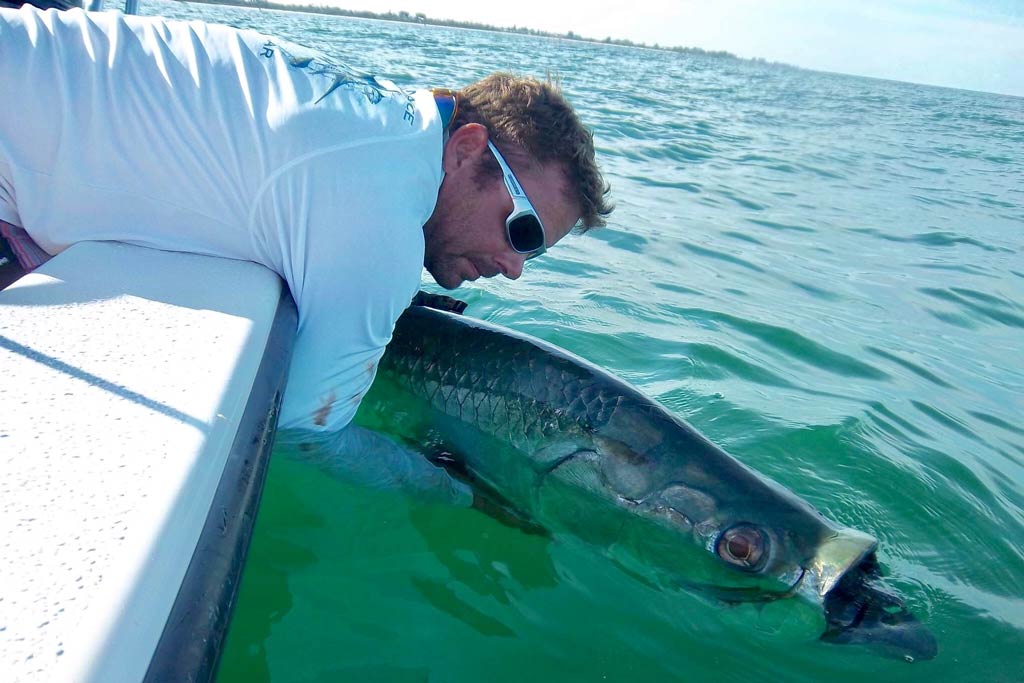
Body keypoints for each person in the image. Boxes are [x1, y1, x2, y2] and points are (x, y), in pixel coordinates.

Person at [0, 5, 612, 433]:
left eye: (536, 252)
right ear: (467, 148)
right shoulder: (384, 217)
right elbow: (305, 430)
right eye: (522, 230)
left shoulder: (376, 128)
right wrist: (454, 492)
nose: (513, 269)